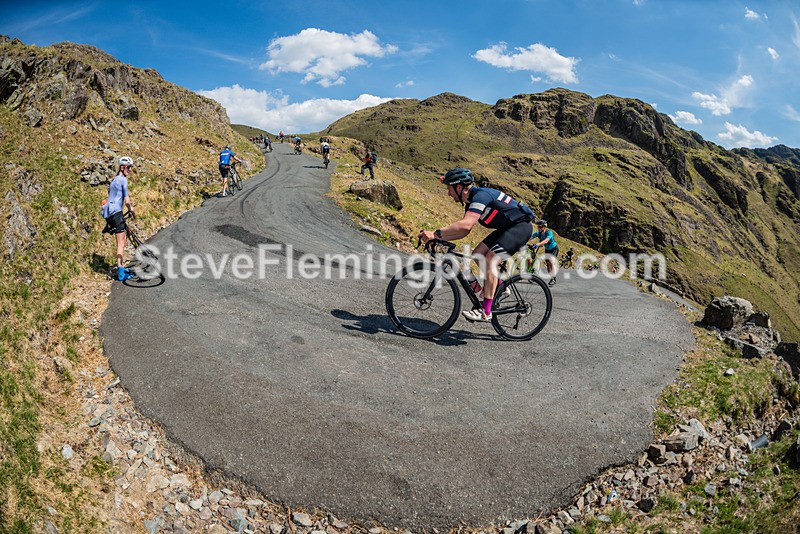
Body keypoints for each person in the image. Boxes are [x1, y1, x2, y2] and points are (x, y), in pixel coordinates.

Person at [419, 168, 535, 323]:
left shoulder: (480, 196)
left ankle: (486, 312)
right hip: (507, 228)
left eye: (449, 189)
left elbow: (466, 225)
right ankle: (500, 288)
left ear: (459, 187)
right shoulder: (471, 202)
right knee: (478, 254)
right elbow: (463, 232)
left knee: (490, 260)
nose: (448, 194)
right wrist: (439, 238)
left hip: (521, 227)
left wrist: (435, 234)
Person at [102, 156, 135, 281]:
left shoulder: (114, 180)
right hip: (116, 213)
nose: (130, 170)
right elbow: (126, 200)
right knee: (121, 242)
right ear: (122, 167)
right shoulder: (123, 180)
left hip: (109, 214)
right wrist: (131, 209)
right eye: (128, 167)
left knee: (122, 238)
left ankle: (121, 266)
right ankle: (121, 271)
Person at [529, 219, 559, 286]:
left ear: (544, 227)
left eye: (540, 227)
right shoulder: (538, 233)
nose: (538, 228)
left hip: (554, 248)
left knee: (551, 261)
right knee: (548, 264)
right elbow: (530, 237)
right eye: (538, 227)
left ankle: (553, 279)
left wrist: (537, 244)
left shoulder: (549, 232)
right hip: (547, 250)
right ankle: (552, 277)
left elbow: (546, 241)